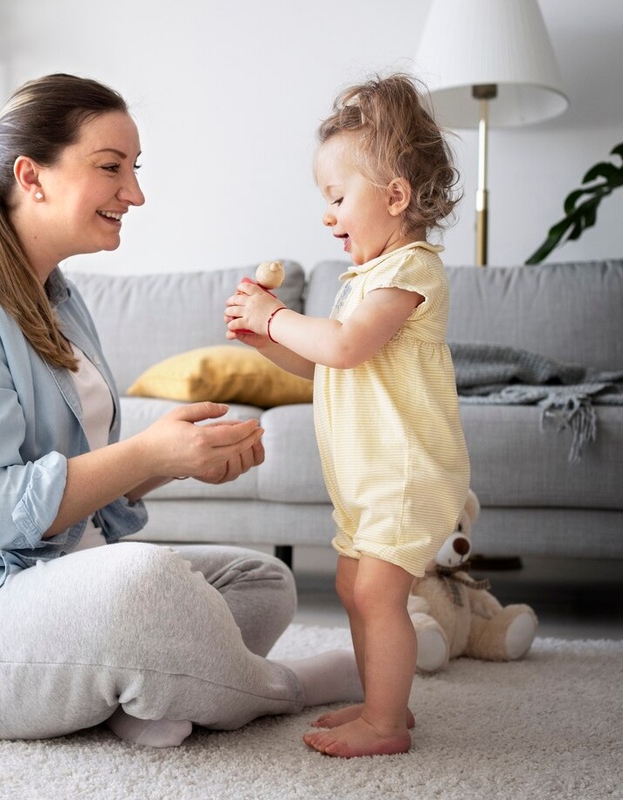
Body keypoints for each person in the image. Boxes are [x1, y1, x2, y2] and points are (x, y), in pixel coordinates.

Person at [0, 73, 363, 748]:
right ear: (32, 175)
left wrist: (176, 462)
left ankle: (128, 688)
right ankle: (285, 685)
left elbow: (67, 482)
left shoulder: (59, 296)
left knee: (262, 581)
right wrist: (147, 453)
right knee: (142, 586)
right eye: (111, 168)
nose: (135, 194)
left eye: (134, 170)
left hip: (41, 585)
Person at [225, 73, 470, 758]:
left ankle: (386, 728)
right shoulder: (360, 281)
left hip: (405, 471)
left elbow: (343, 343)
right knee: (352, 585)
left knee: (377, 592)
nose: (328, 216)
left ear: (395, 197)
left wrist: (276, 313)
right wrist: (267, 340)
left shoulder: (411, 271)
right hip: (366, 476)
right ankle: (381, 702)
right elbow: (326, 362)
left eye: (338, 198)